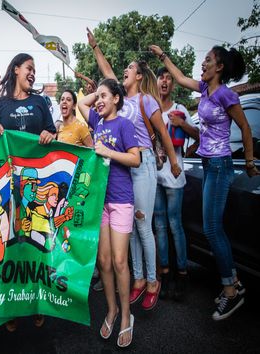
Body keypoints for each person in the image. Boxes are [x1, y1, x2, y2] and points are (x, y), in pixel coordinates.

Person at [150, 44, 259, 320]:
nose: (203, 63)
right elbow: (182, 77)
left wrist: (248, 160)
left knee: (211, 228)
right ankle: (232, 282)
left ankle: (231, 292)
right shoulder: (206, 90)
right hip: (210, 165)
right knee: (213, 227)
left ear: (219, 67)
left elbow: (245, 127)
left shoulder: (225, 94)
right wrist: (163, 56)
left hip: (222, 165)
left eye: (208, 60)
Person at [87, 28, 181, 311]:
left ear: (139, 76)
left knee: (142, 223)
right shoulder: (120, 101)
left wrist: (175, 161)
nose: (124, 71)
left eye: (129, 68)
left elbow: (163, 132)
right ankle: (138, 278)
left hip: (143, 163)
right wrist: (95, 48)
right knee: (130, 227)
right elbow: (106, 73)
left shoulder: (145, 100)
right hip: (124, 165)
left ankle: (153, 281)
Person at [0, 53, 56, 332]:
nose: (33, 73)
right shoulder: (1, 105)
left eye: (35, 70)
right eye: (29, 68)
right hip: (6, 188)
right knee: (10, 242)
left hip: (35, 185)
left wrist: (50, 136)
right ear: (16, 69)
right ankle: (11, 305)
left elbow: (53, 135)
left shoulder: (40, 102)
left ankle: (37, 302)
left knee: (35, 243)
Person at [78, 78, 140, 347]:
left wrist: (108, 152)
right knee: (103, 262)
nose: (99, 101)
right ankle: (112, 310)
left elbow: (135, 159)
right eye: (98, 97)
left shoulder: (124, 124)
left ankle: (127, 316)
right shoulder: (97, 122)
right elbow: (81, 103)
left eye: (105, 96)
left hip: (121, 201)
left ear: (117, 98)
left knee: (118, 261)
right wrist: (98, 92)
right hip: (99, 202)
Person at [154, 67, 199, 300]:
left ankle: (182, 274)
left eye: (169, 79)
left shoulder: (180, 110)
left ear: (172, 85)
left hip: (174, 177)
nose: (164, 81)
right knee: (159, 226)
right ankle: (166, 273)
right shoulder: (151, 108)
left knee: (175, 225)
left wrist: (181, 125)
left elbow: (198, 136)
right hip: (155, 177)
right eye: (161, 77)